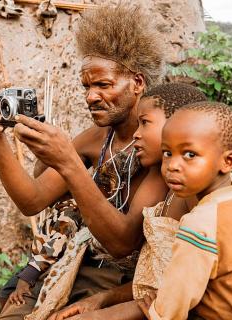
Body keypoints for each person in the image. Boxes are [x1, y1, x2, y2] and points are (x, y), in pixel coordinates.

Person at [0, 4, 168, 319]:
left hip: (124, 278)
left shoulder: (162, 147)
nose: (91, 96)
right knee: (12, 300)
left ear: (137, 83)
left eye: (103, 85)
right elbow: (32, 199)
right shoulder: (96, 137)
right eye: (87, 86)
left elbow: (123, 243)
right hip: (80, 257)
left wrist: (68, 163)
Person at [48, 83, 207, 320]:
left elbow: (175, 296)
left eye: (145, 123)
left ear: (177, 127)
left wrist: (100, 315)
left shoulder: (199, 202)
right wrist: (101, 300)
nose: (136, 133)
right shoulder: (171, 188)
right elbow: (154, 287)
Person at [138, 102, 232, 320]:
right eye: (167, 153)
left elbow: (172, 305)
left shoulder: (201, 222)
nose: (172, 165)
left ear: (228, 161)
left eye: (189, 154)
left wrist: (158, 313)